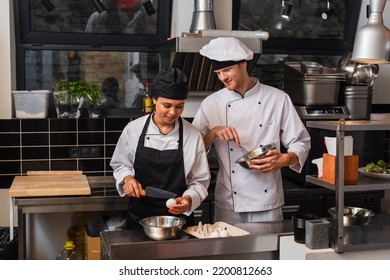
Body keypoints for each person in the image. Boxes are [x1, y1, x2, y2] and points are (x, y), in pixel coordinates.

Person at [192, 37, 311, 225]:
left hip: (267, 201)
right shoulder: (211, 103)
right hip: (228, 202)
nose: (223, 77)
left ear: (243, 64)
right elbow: (194, 149)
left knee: (265, 253)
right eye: (218, 72)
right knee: (229, 254)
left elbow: (301, 142)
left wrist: (284, 159)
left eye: (227, 70)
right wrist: (213, 132)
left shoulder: (277, 99)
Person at [110, 67, 210, 229]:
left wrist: (188, 199)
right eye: (167, 105)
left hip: (179, 222)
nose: (173, 112)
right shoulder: (133, 129)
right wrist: (127, 179)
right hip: (139, 220)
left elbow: (199, 181)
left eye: (179, 106)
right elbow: (121, 164)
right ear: (154, 99)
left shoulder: (192, 135)